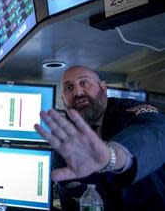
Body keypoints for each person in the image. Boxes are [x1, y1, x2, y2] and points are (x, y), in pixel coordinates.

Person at [34, 65, 165, 210]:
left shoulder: (131, 111)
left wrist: (112, 156)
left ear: (103, 88)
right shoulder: (66, 145)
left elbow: (156, 132)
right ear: (64, 101)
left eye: (84, 83)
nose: (78, 92)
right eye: (69, 88)